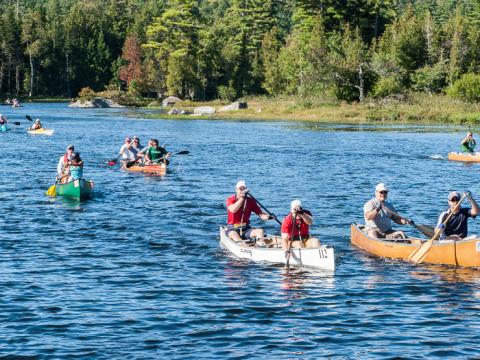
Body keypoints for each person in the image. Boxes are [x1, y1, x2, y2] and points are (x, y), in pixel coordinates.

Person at [225, 180, 271, 245]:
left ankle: (261, 245)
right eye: (240, 189)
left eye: (244, 189)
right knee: (234, 235)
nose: (242, 190)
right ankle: (244, 247)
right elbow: (233, 210)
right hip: (233, 228)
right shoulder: (230, 199)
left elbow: (260, 214)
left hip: (246, 228)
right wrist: (242, 198)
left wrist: (268, 217)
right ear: (236, 190)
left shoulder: (250, 201)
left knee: (260, 231)